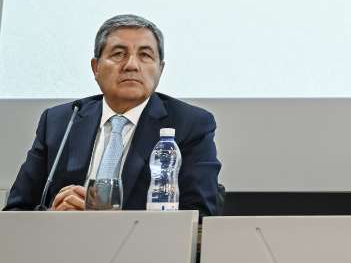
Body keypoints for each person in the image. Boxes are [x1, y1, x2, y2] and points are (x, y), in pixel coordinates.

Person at [4, 14, 222, 215]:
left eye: (145, 55)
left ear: (160, 69)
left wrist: (106, 219)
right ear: (96, 67)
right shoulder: (60, 121)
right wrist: (52, 217)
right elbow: (16, 210)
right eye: (119, 54)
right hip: (61, 248)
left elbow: (200, 214)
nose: (131, 65)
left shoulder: (190, 124)